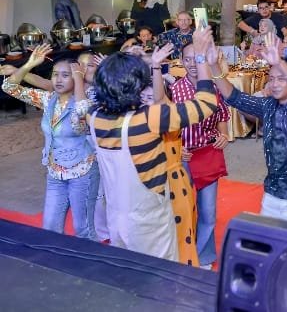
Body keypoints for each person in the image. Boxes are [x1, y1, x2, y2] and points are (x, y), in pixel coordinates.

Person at [87, 27, 218, 261]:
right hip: (149, 221)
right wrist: (200, 56)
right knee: (160, 275)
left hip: (115, 216)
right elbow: (207, 103)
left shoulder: (94, 117)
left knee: (128, 272)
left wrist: (123, 63)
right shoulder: (150, 119)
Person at [210, 33, 287, 224]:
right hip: (272, 191)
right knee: (269, 239)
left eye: (281, 79)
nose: (274, 84)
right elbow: (233, 97)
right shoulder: (268, 105)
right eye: (271, 79)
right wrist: (213, 66)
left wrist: (278, 62)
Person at [2, 45, 99, 241]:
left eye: (65, 75)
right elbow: (9, 87)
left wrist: (78, 78)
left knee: (83, 230)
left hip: (83, 172)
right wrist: (29, 64)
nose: (58, 80)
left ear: (76, 77)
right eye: (55, 75)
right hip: (55, 173)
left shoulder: (88, 100)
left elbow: (82, 112)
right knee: (50, 228)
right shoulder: (48, 99)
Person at [170, 43, 231, 269]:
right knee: (183, 209)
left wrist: (223, 135)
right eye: (187, 59)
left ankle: (202, 256)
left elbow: (223, 114)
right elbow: (166, 122)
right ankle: (181, 253)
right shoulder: (174, 90)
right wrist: (176, 147)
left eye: (197, 58)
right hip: (182, 157)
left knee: (208, 211)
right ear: (181, 62)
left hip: (208, 153)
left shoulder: (214, 87)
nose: (193, 64)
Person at [139, 61, 199, 267]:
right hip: (149, 187)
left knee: (181, 236)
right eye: (142, 99)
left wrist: (156, 68)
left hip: (173, 186)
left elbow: (160, 101)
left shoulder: (169, 118)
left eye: (150, 98)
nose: (147, 104)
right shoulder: (138, 124)